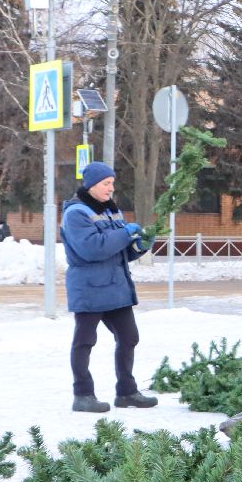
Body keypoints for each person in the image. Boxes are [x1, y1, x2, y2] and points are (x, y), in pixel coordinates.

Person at [61, 161, 156, 414]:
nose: (111, 188)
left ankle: (126, 392)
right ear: (91, 185)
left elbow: (121, 252)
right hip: (89, 288)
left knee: (129, 337)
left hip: (116, 288)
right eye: (105, 183)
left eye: (112, 183)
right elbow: (92, 249)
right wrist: (126, 234)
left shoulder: (113, 212)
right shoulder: (76, 214)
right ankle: (83, 395)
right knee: (85, 341)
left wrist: (141, 245)